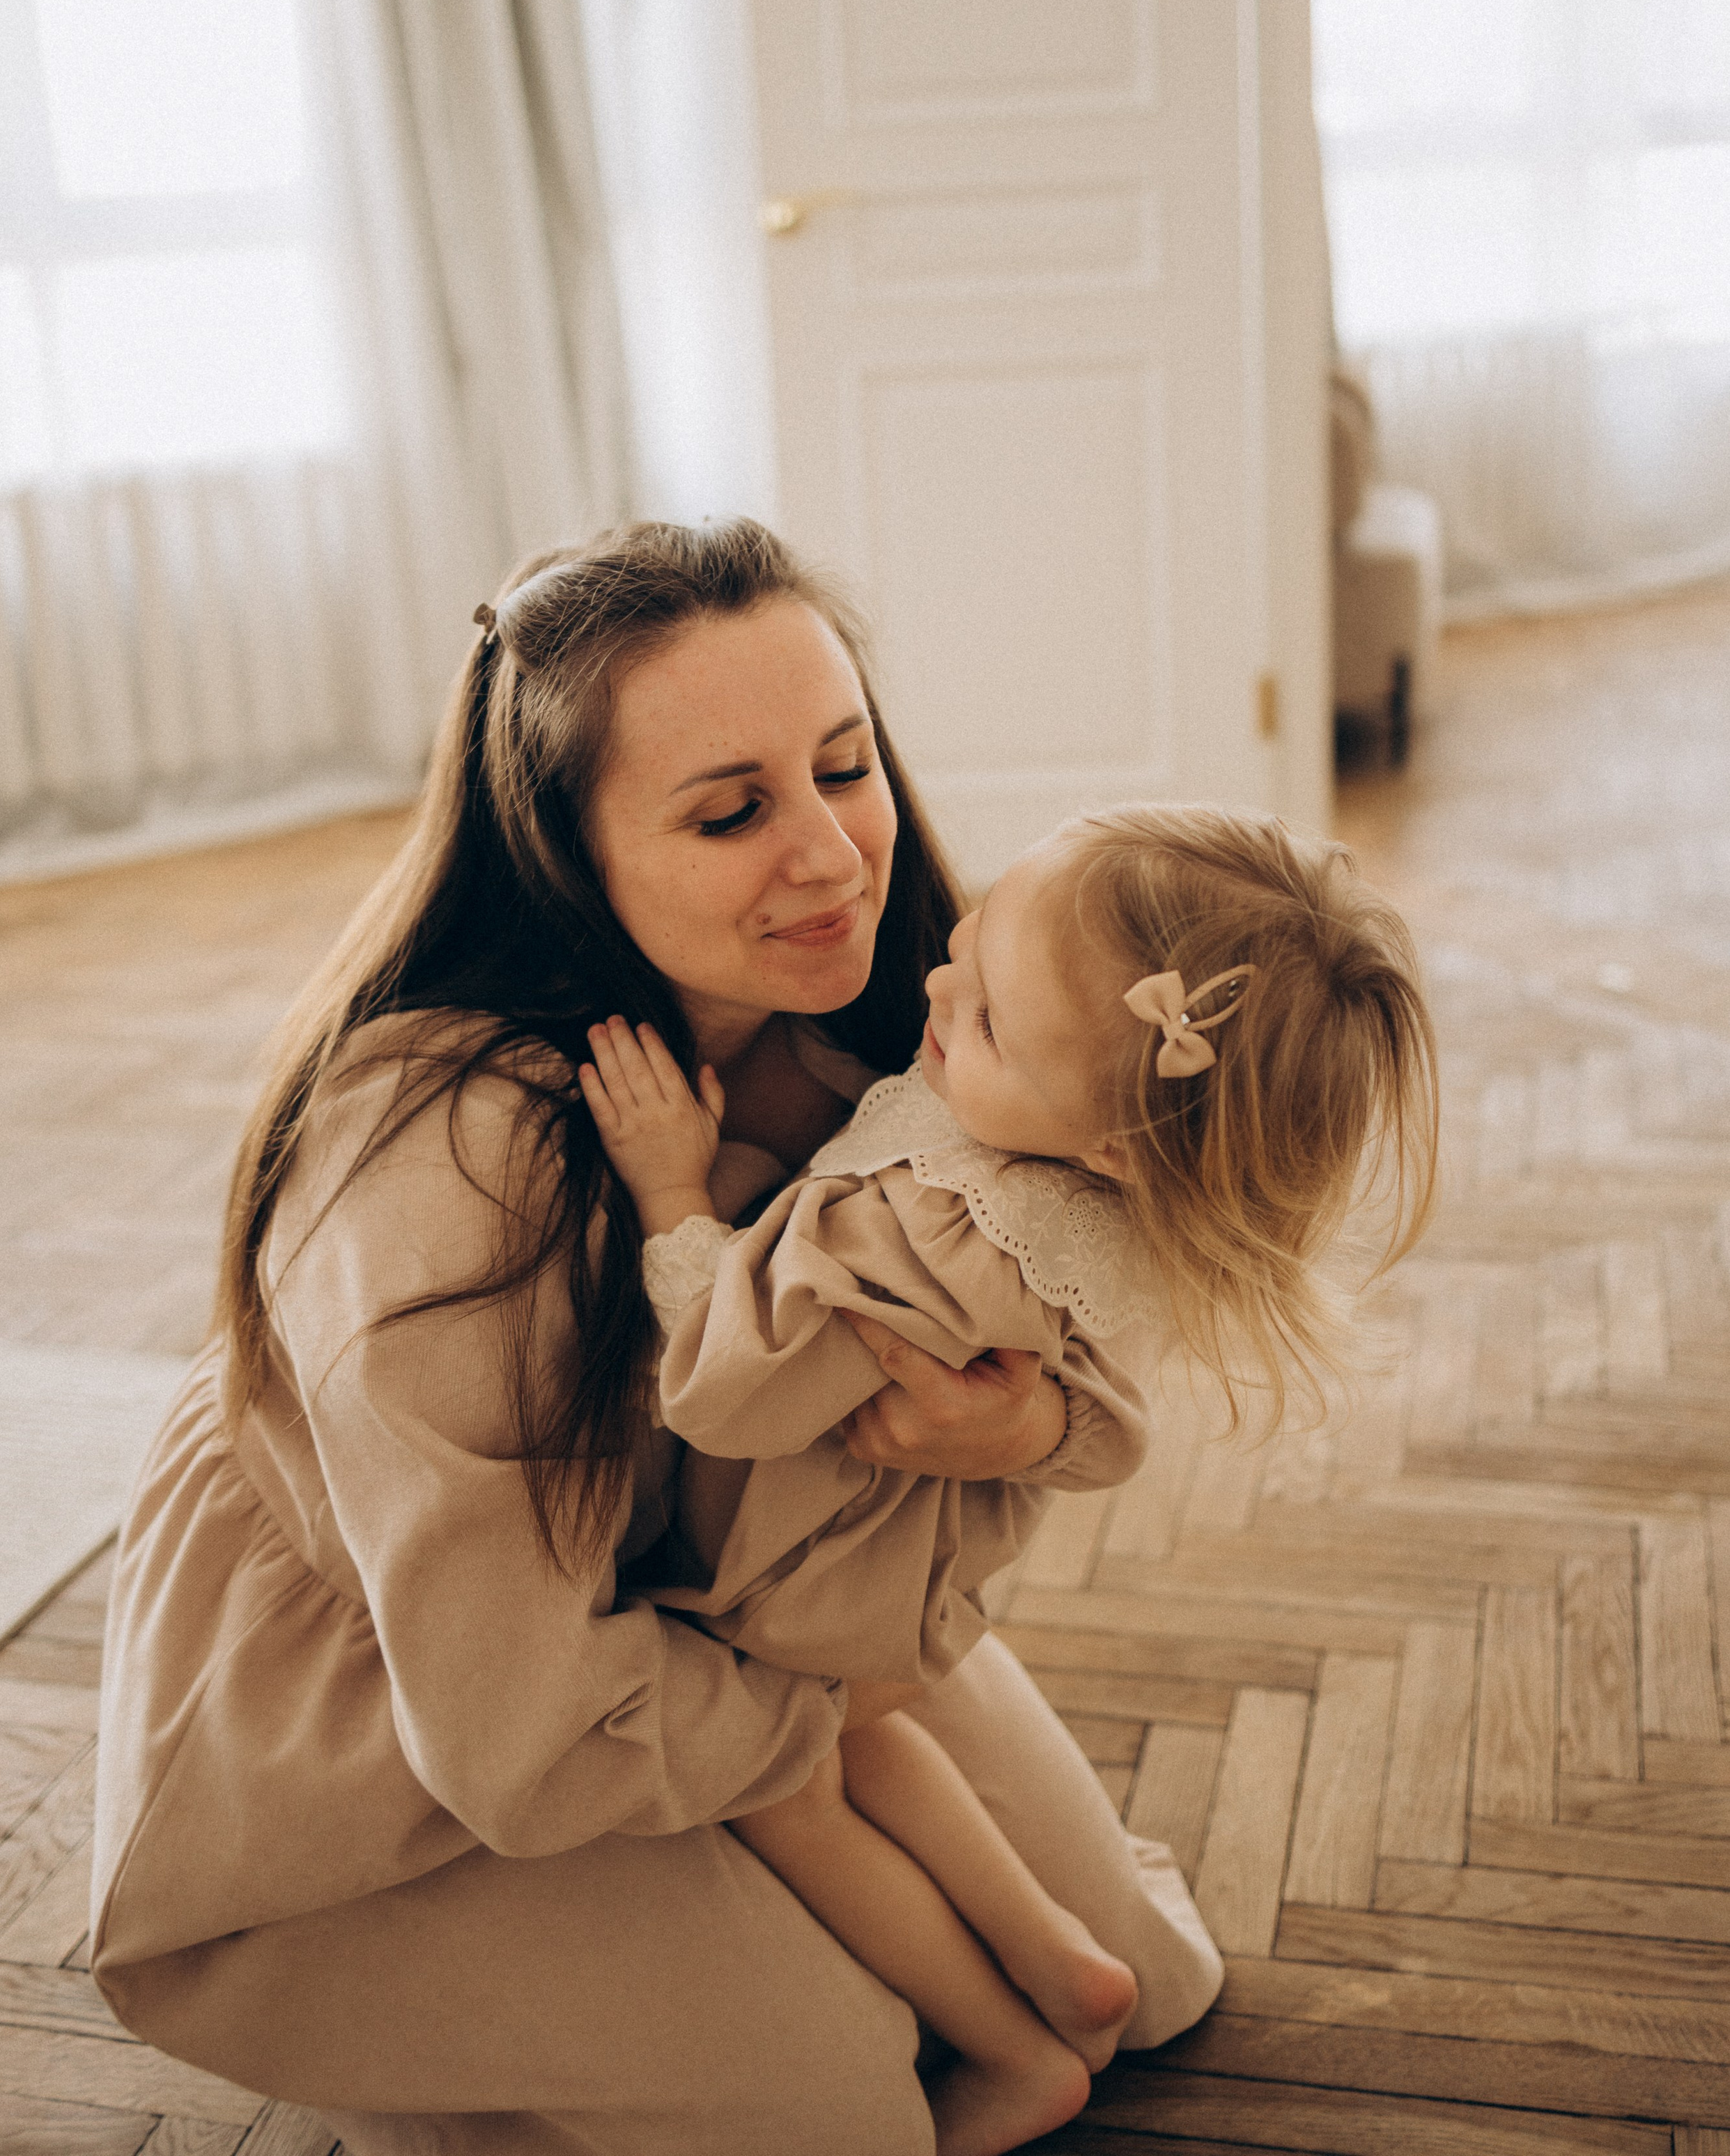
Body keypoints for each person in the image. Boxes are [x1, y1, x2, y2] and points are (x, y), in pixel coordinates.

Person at [90, 520, 1228, 2156]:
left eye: (843, 768)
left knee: (1148, 1980)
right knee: (851, 2116)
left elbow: (1080, 1262)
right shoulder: (436, 1162)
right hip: (413, 1721)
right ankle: (406, 2058)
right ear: (563, 853)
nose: (835, 858)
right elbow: (511, 1732)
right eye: (729, 811)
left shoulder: (905, 1005)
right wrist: (824, 1710)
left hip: (701, 1607)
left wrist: (1023, 1431)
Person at [579, 807, 1437, 2155]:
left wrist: (671, 1192)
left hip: (793, 1584)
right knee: (874, 1741)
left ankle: (1007, 2045)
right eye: (971, 934)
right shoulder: (1093, 1188)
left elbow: (722, 1385)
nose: (933, 982)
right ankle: (1062, 1964)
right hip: (893, 1589)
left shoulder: (923, 1231)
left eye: (978, 1019)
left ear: (1099, 1142)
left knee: (785, 1797)